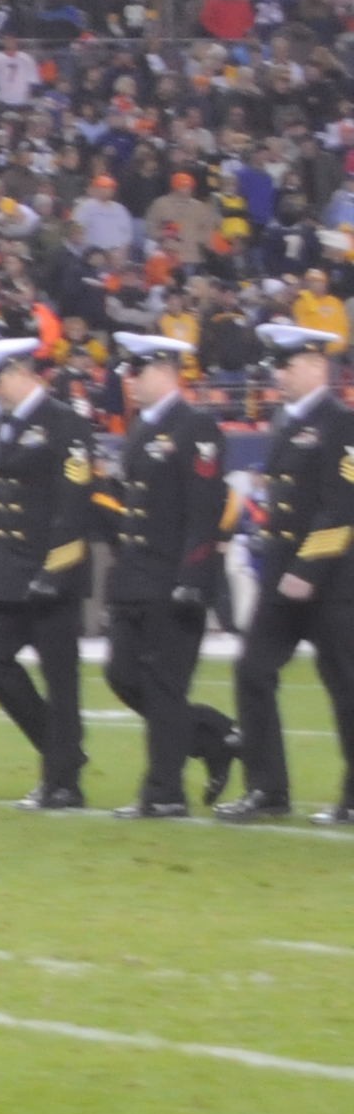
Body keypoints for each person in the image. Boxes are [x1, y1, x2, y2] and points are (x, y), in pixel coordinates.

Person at [0, 338, 108, 812]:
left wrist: (56, 569)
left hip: (50, 568)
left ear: (23, 371)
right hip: (10, 568)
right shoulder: (8, 424)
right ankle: (63, 752)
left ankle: (63, 782)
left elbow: (73, 503)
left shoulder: (66, 423)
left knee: (61, 679)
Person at [99, 332, 235, 818]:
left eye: (137, 372)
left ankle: (164, 792)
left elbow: (205, 512)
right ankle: (215, 735)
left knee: (163, 686)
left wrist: (192, 579)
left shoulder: (194, 426)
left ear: (163, 371)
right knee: (122, 676)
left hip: (172, 580)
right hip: (136, 579)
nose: (130, 383)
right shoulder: (140, 431)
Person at [223, 322, 353, 823]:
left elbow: (341, 505)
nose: (280, 374)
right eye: (278, 365)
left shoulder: (340, 422)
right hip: (283, 578)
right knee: (252, 671)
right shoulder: (285, 421)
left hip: (332, 581)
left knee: (345, 684)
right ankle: (266, 788)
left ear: (319, 365)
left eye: (289, 364)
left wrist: (307, 566)